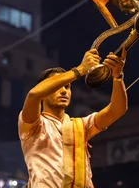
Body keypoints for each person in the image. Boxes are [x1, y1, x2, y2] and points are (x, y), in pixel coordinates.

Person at [19, 49, 128, 187]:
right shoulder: (34, 125)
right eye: (58, 86)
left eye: (67, 87)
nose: (64, 90)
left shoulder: (80, 125)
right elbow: (34, 95)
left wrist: (118, 76)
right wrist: (81, 69)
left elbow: (117, 110)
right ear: (45, 92)